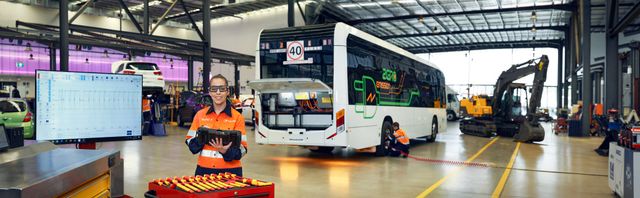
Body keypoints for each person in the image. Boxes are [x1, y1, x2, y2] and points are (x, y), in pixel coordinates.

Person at [185, 74, 248, 176]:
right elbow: (190, 143)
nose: (218, 93)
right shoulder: (200, 115)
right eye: (214, 89)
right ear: (209, 92)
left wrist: (225, 151)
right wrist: (202, 137)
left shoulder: (237, 117)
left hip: (230, 173)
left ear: (227, 92)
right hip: (204, 171)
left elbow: (243, 149)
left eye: (222, 89)